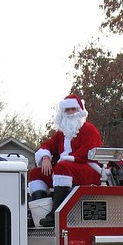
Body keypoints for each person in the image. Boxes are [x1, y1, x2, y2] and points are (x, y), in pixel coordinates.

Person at [28, 94, 103, 226]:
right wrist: (45, 157)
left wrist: (66, 160)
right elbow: (46, 145)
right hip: (65, 170)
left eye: (72, 109)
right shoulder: (61, 134)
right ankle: (39, 214)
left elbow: (88, 152)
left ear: (80, 110)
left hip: (89, 171)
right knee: (36, 173)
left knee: (62, 167)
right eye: (66, 110)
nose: (69, 113)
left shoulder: (89, 130)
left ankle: (55, 213)